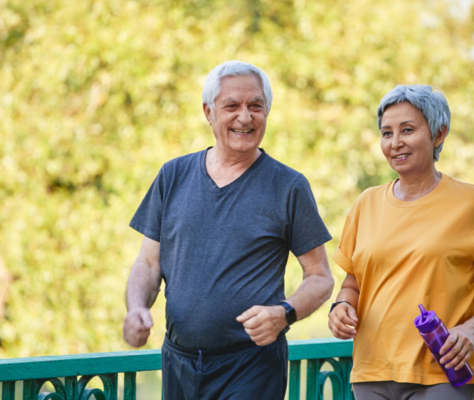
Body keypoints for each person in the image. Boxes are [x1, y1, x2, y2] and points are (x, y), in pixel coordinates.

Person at [124, 60, 335, 399]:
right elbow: (148, 264)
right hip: (178, 361)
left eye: (256, 106)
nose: (245, 117)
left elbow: (321, 277)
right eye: (232, 106)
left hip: (251, 367)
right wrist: (136, 308)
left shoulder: (288, 186)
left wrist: (284, 314)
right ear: (209, 112)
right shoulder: (173, 175)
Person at [327, 85, 474, 400]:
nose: (396, 143)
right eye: (386, 133)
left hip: (443, 374)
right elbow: (353, 283)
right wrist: (341, 306)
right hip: (371, 373)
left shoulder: (472, 203)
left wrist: (472, 330)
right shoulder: (366, 203)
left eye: (407, 130)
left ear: (438, 134)